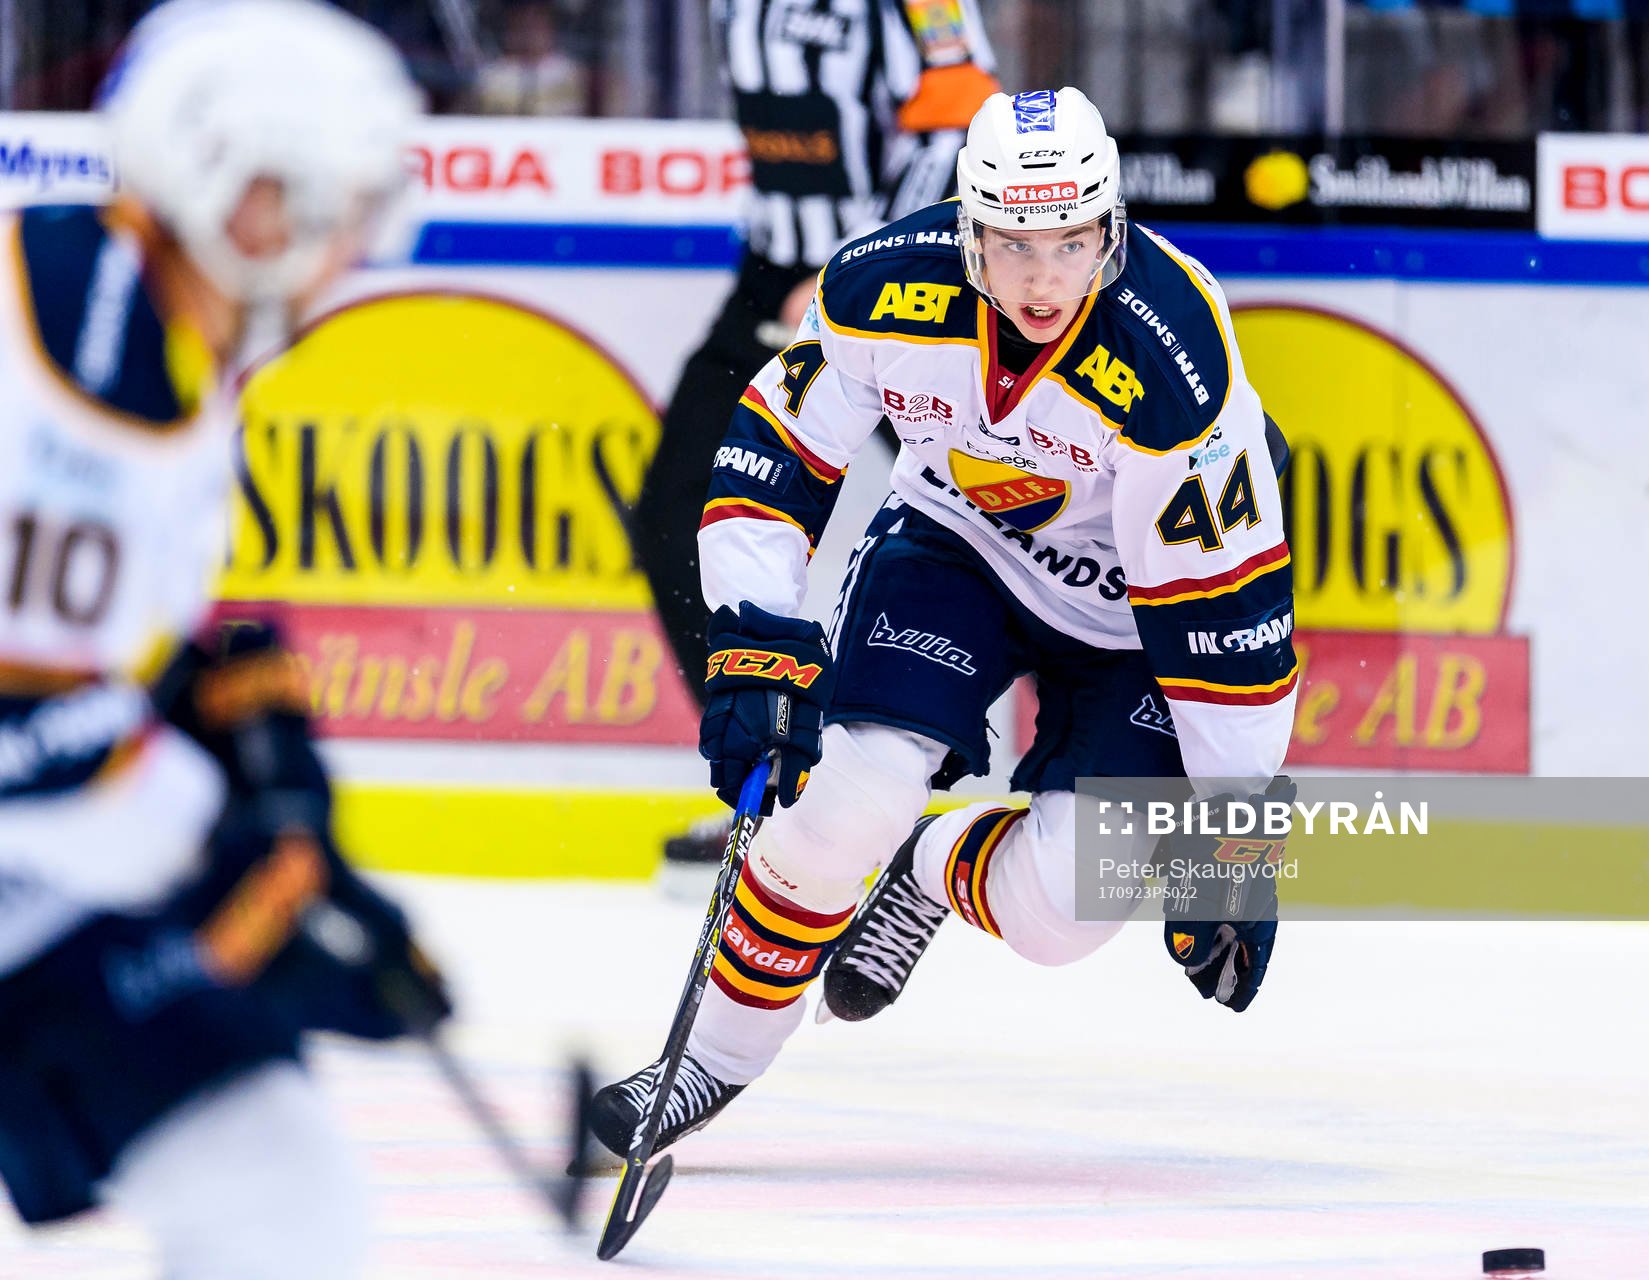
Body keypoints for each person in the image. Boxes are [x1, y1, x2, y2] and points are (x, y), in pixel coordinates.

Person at [587, 87, 1298, 1152]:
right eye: (1012, 241)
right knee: (843, 807)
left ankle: (932, 861)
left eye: (1070, 239)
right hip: (958, 551)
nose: (1043, 275)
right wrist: (749, 641)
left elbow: (1225, 632)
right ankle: (708, 1063)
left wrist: (1227, 849)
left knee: (1062, 920)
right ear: (966, 227)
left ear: (1109, 226)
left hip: (1138, 622)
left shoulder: (1172, 359)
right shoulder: (881, 283)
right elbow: (773, 457)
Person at [0, 3, 448, 1276]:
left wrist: (243, 727)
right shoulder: (89, 359)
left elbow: (96, 665)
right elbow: (27, 719)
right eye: (334, 203)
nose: (349, 245)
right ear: (240, 184)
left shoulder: (147, 330)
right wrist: (237, 872)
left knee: (271, 1179)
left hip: (31, 886)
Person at [642, 0, 1000, 879]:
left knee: (1006, 529)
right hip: (773, 280)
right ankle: (778, 784)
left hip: (909, 288)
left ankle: (1080, 787)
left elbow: (965, 126)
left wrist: (862, 255)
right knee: (672, 514)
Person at [467, 1, 589, 118]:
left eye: (537, 22)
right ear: (510, 27)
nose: (529, 31)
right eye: (521, 23)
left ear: (550, 26)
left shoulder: (570, 72)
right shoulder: (491, 75)